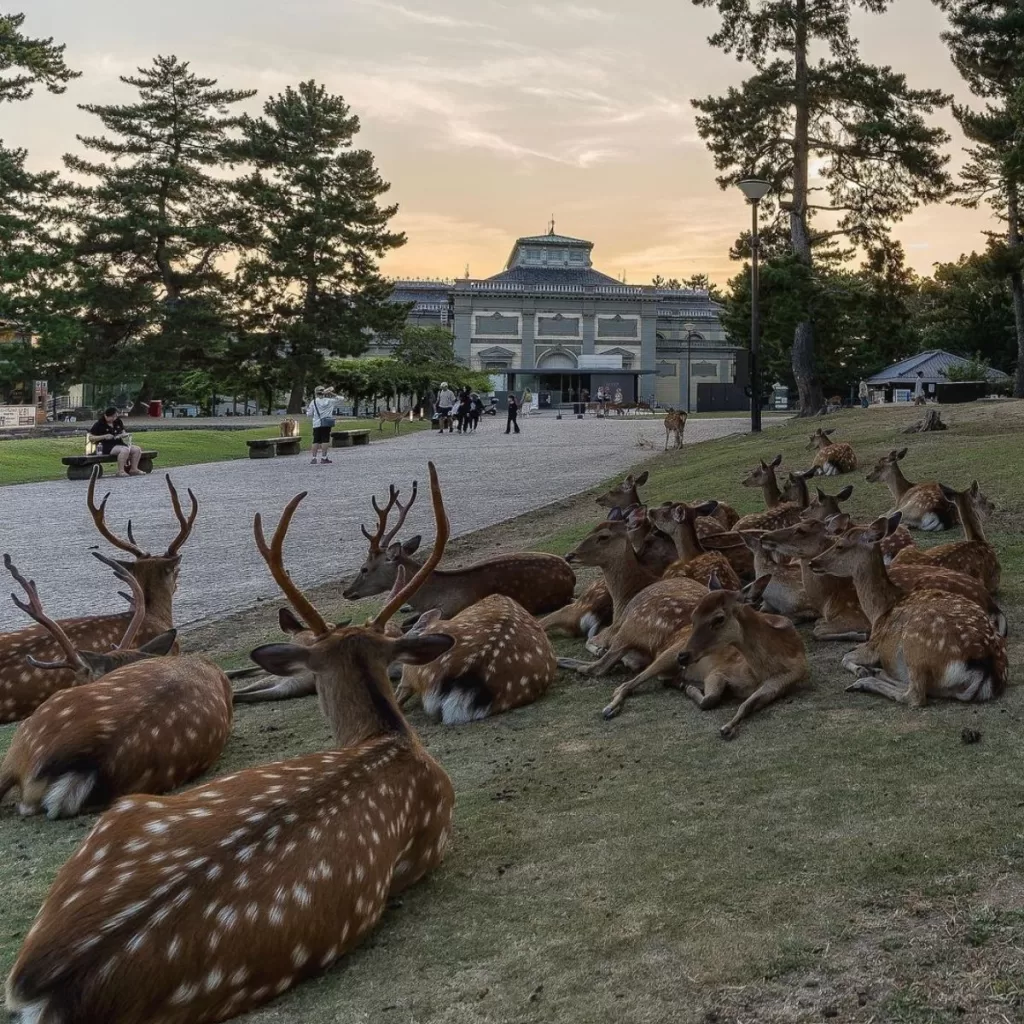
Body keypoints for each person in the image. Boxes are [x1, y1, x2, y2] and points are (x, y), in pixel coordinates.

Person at [87, 407, 144, 477]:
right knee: (124, 450)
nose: (114, 419)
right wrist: (104, 436)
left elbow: (123, 432)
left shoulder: (118, 422)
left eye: (115, 416)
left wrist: (122, 435)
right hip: (105, 446)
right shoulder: (99, 424)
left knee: (137, 449)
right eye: (112, 417)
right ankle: (121, 471)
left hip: (119, 443)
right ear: (106, 416)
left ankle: (134, 469)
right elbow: (91, 438)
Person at [306, 386, 338, 465]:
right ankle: (324, 457)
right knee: (325, 440)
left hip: (316, 423)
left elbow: (309, 414)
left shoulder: (313, 402)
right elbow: (341, 399)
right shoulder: (330, 401)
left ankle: (314, 458)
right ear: (325, 392)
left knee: (315, 440)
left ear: (316, 393)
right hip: (326, 423)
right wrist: (331, 393)